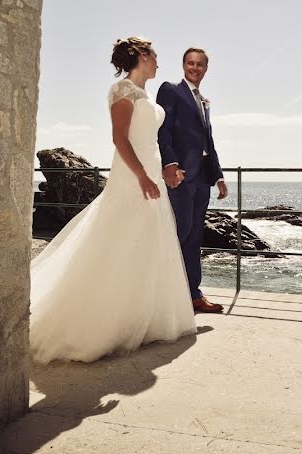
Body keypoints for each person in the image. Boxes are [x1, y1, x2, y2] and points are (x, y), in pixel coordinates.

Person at [29, 37, 196, 364]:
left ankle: (144, 321)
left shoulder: (145, 94)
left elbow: (148, 140)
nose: (160, 63)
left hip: (151, 176)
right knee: (120, 243)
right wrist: (142, 176)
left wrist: (163, 171)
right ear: (141, 56)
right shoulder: (121, 91)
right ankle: (106, 324)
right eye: (156, 56)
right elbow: (120, 139)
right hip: (132, 179)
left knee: (148, 245)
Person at [156, 47, 228, 313]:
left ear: (205, 69)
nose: (194, 68)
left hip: (202, 178)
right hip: (181, 176)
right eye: (190, 63)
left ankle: (193, 294)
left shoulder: (204, 101)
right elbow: (162, 130)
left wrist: (218, 176)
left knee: (195, 236)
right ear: (183, 65)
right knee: (179, 233)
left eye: (199, 64)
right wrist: (170, 165)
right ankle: (164, 293)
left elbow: (209, 142)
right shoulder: (170, 89)